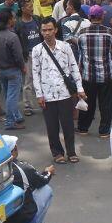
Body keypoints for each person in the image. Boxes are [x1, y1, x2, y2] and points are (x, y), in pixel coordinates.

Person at [31, 17, 86, 164]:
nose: (47, 33)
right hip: (47, 95)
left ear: (55, 30)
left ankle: (71, 152)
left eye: (50, 29)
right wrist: (39, 94)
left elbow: (74, 68)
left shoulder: (65, 47)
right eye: (44, 30)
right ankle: (57, 153)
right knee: (52, 126)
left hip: (65, 93)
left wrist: (79, 88)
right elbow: (35, 73)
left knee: (68, 125)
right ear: (41, 32)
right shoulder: (37, 50)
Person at [0, 135, 55, 223]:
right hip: (22, 221)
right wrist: (48, 172)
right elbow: (42, 181)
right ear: (14, 150)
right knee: (46, 190)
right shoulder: (23, 168)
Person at [76, 5, 112, 137]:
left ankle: (83, 128)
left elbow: (80, 51)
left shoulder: (82, 33)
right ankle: (104, 131)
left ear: (89, 17)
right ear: (102, 16)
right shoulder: (109, 32)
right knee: (106, 104)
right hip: (106, 74)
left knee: (88, 102)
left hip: (88, 74)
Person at [0, 10, 25, 130]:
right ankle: (10, 121)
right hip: (12, 70)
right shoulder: (12, 36)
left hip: (0, 69)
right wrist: (23, 67)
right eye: (13, 18)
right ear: (9, 20)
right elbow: (19, 56)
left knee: (7, 94)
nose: (14, 20)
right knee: (12, 96)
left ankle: (16, 115)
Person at [16, 0, 42, 116]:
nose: (31, 8)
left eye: (32, 6)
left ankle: (45, 102)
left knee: (43, 78)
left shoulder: (37, 20)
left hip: (40, 53)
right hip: (28, 55)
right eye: (29, 6)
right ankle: (27, 105)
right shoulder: (19, 24)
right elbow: (17, 42)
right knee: (28, 80)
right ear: (22, 9)